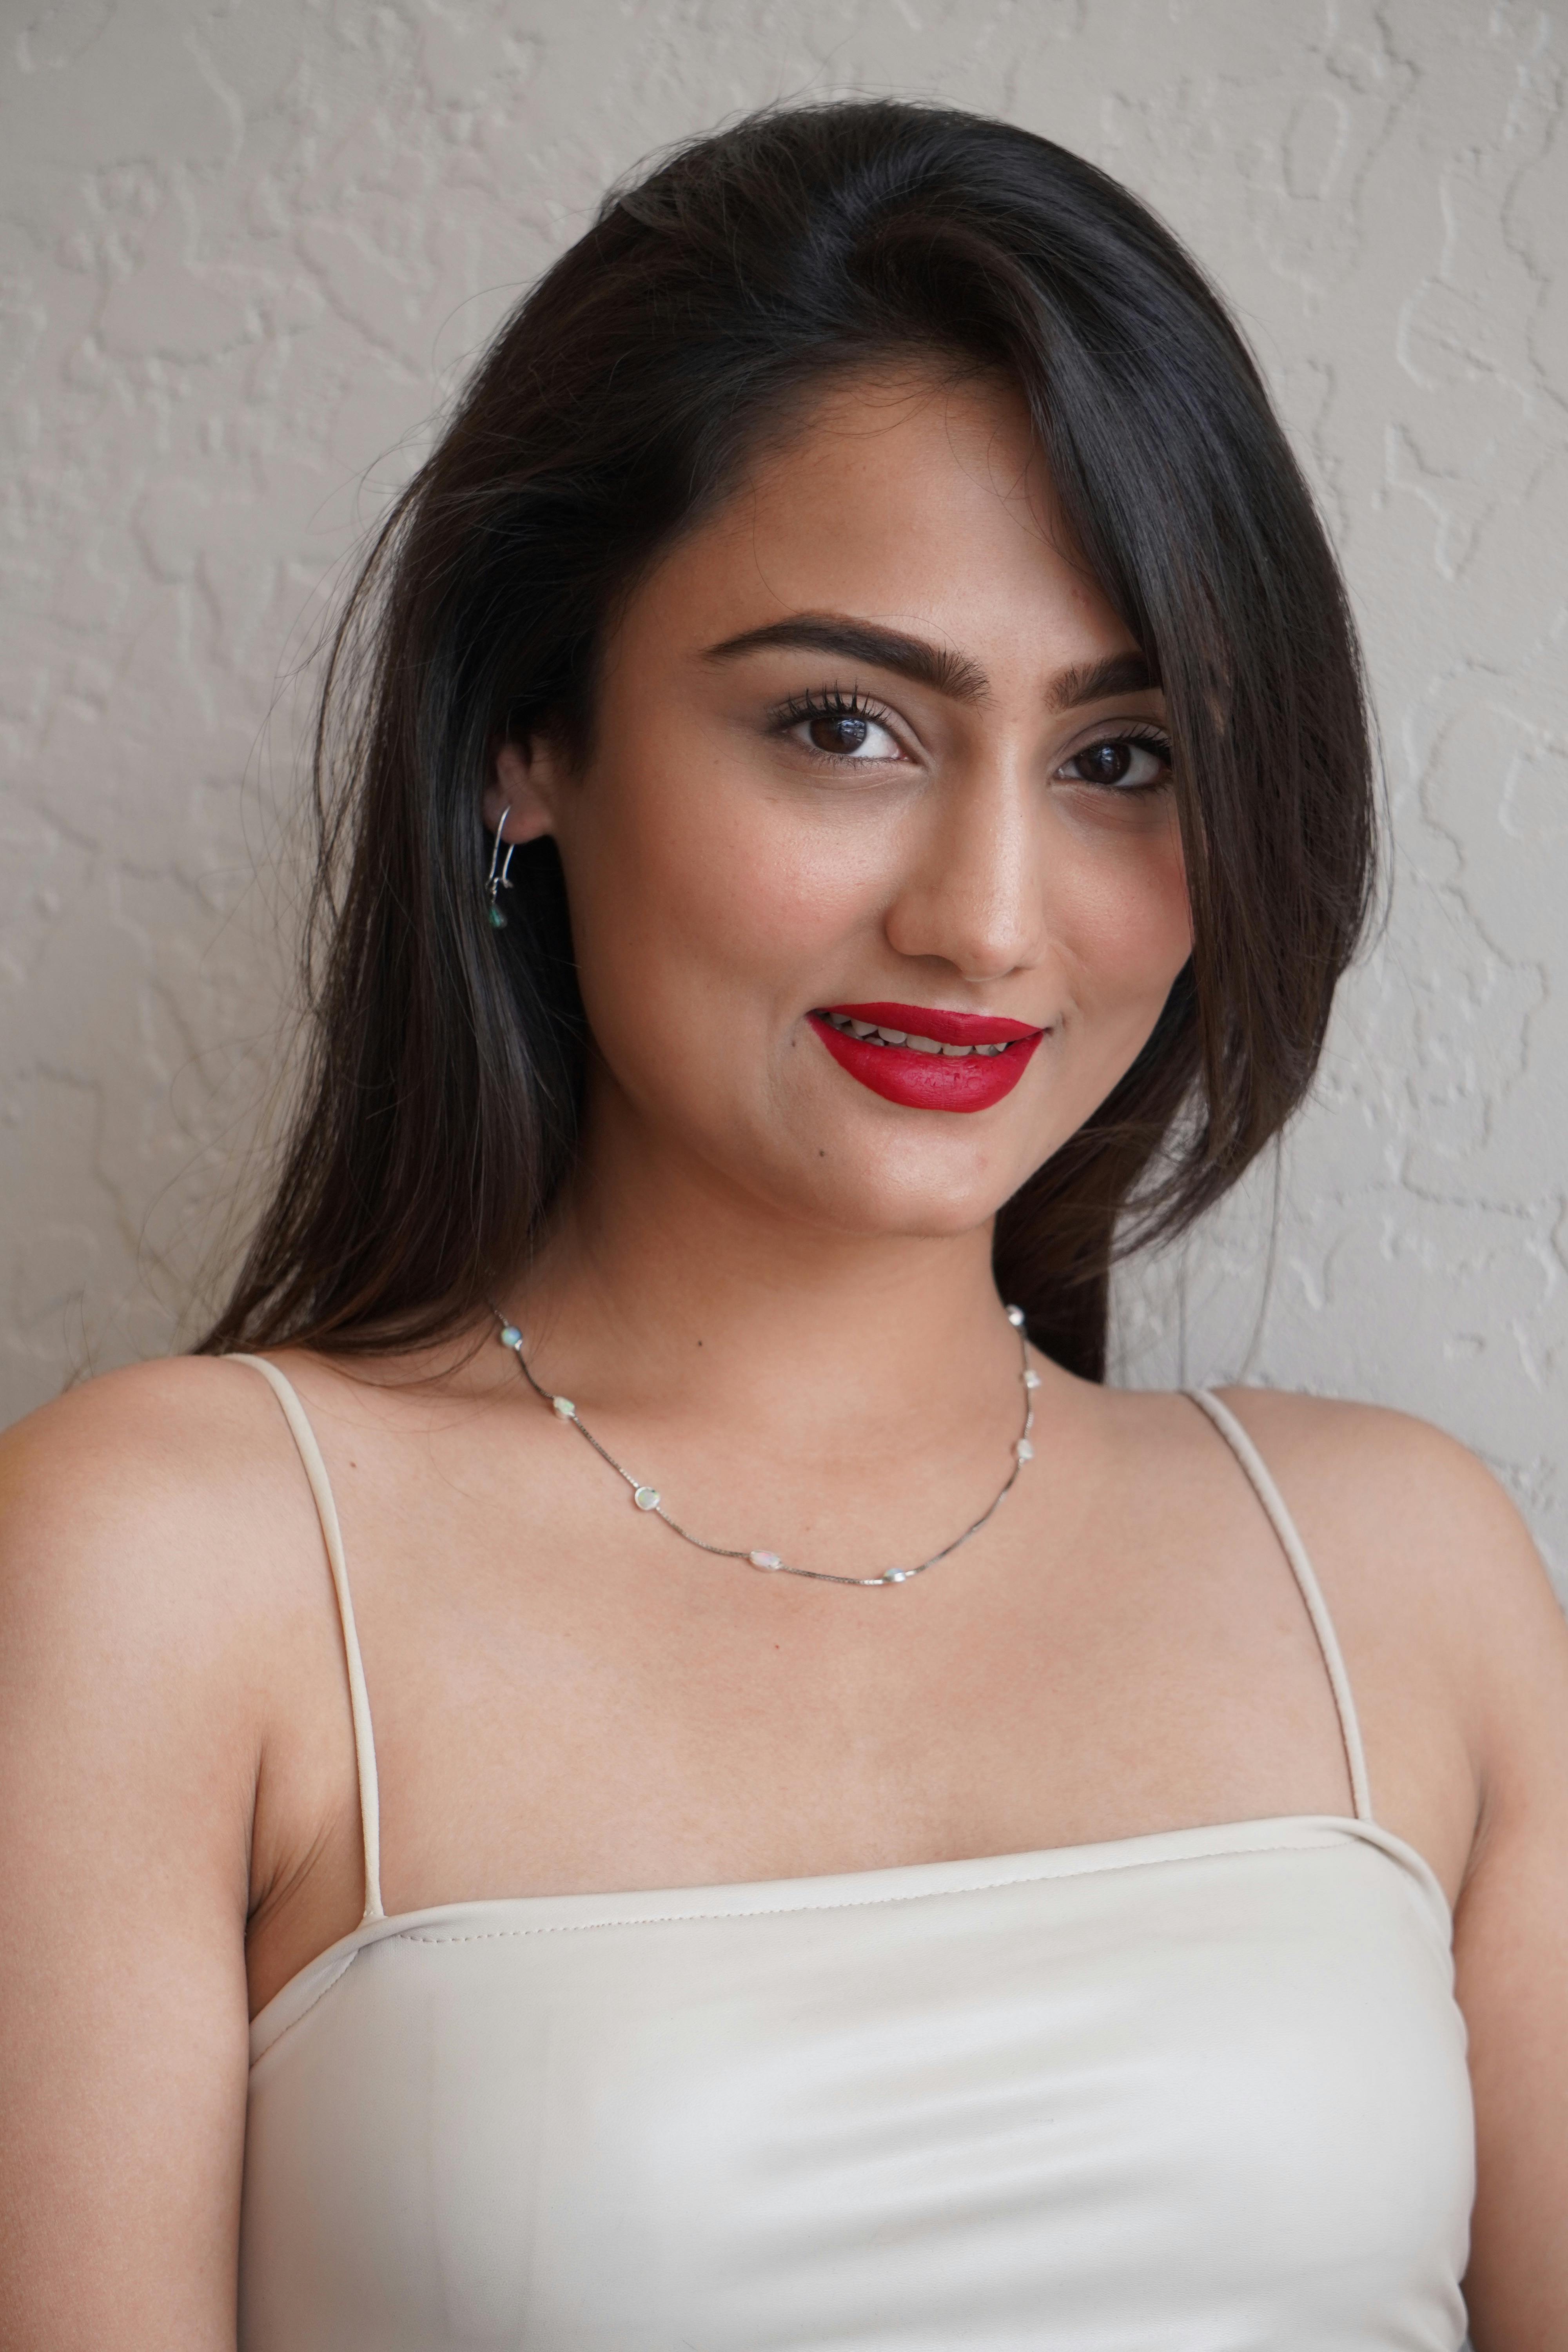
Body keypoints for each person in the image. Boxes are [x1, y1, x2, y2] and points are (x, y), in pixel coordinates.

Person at [1, 98, 1563, 2352]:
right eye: (845, 725)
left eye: (1120, 757)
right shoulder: (173, 1565)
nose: (991, 918)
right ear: (526, 742)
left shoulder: (1404, 1574)